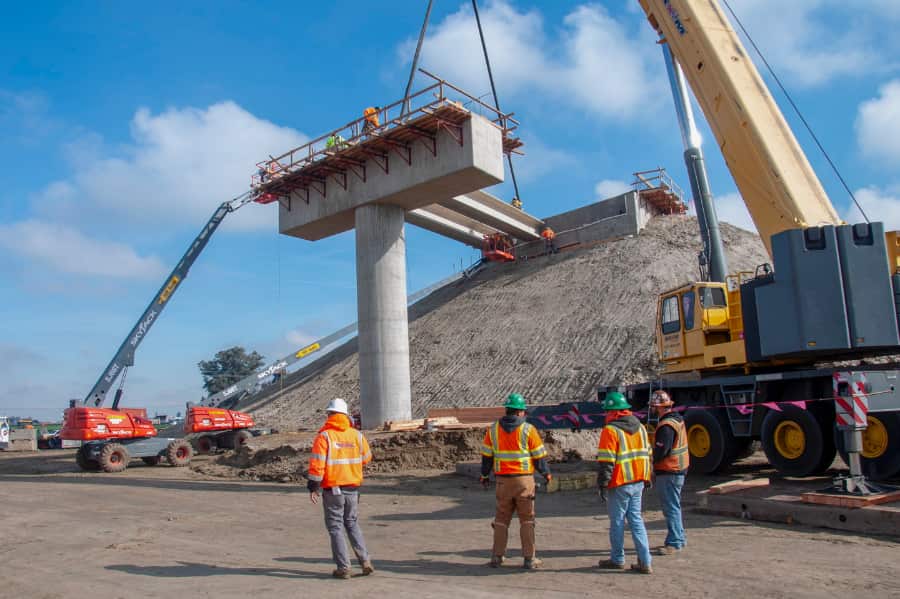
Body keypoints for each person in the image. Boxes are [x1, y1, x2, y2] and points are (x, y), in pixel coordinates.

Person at [480, 393, 552, 570]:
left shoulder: (493, 429)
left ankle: (497, 556)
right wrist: (546, 474)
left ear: (507, 410)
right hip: (524, 481)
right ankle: (529, 558)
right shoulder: (528, 429)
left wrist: (484, 475)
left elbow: (487, 456)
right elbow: (539, 456)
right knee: (527, 519)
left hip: (503, 482)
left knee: (501, 519)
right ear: (520, 412)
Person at [307, 398, 375, 579]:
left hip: (333, 490)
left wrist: (313, 487)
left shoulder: (324, 437)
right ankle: (365, 561)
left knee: (336, 527)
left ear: (329, 415)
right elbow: (367, 457)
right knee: (352, 523)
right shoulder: (357, 436)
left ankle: (343, 567)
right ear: (345, 415)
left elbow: (317, 466)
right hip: (353, 488)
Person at [596, 391, 653, 574]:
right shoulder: (641, 428)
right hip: (638, 481)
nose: (606, 415)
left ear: (614, 412)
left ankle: (617, 558)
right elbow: (648, 454)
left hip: (620, 482)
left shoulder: (611, 431)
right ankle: (645, 561)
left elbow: (607, 461)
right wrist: (647, 477)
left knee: (618, 521)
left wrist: (603, 484)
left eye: (607, 411)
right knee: (636, 520)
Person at [650, 390, 688, 555]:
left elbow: (662, 450)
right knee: (674, 505)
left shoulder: (666, 426)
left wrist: (650, 463)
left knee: (670, 507)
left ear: (657, 407)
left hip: (669, 471)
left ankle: (674, 542)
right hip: (677, 469)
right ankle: (679, 538)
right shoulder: (676, 420)